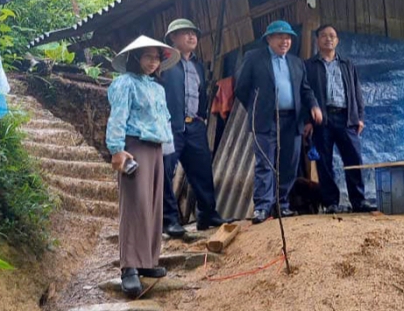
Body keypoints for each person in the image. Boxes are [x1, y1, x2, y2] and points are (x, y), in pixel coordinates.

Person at [106, 35, 179, 298]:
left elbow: (164, 119)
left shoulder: (157, 88)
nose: (153, 62)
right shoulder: (125, 83)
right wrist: (116, 150)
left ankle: (148, 260)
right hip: (134, 146)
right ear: (135, 58)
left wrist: (168, 149)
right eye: (148, 56)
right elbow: (118, 117)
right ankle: (129, 267)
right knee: (135, 205)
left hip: (156, 148)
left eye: (157, 57)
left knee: (152, 204)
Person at [235, 20, 323, 224]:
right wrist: (256, 108)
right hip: (265, 120)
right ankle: (262, 207)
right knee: (265, 163)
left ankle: (281, 204)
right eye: (280, 37)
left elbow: (306, 90)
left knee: (288, 165)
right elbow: (241, 88)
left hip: (291, 120)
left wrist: (314, 106)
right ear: (269, 39)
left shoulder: (296, 62)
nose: (285, 41)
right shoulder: (254, 58)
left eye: (289, 37)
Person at [160, 18, 230, 237]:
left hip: (194, 126)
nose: (191, 37)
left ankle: (207, 213)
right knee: (165, 172)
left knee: (202, 171)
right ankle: (169, 220)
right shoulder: (164, 64)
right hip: (171, 127)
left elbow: (199, 94)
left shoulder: (198, 65)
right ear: (173, 38)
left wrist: (200, 117)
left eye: (194, 33)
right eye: (185, 33)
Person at [304, 24, 376, 214]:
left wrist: (359, 117)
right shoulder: (310, 66)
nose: (329, 39)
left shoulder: (347, 64)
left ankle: (359, 200)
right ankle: (331, 203)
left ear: (337, 40)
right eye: (324, 36)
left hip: (346, 118)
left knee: (354, 159)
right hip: (323, 120)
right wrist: (308, 120)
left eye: (332, 36)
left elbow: (356, 92)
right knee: (324, 163)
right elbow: (305, 93)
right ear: (317, 40)